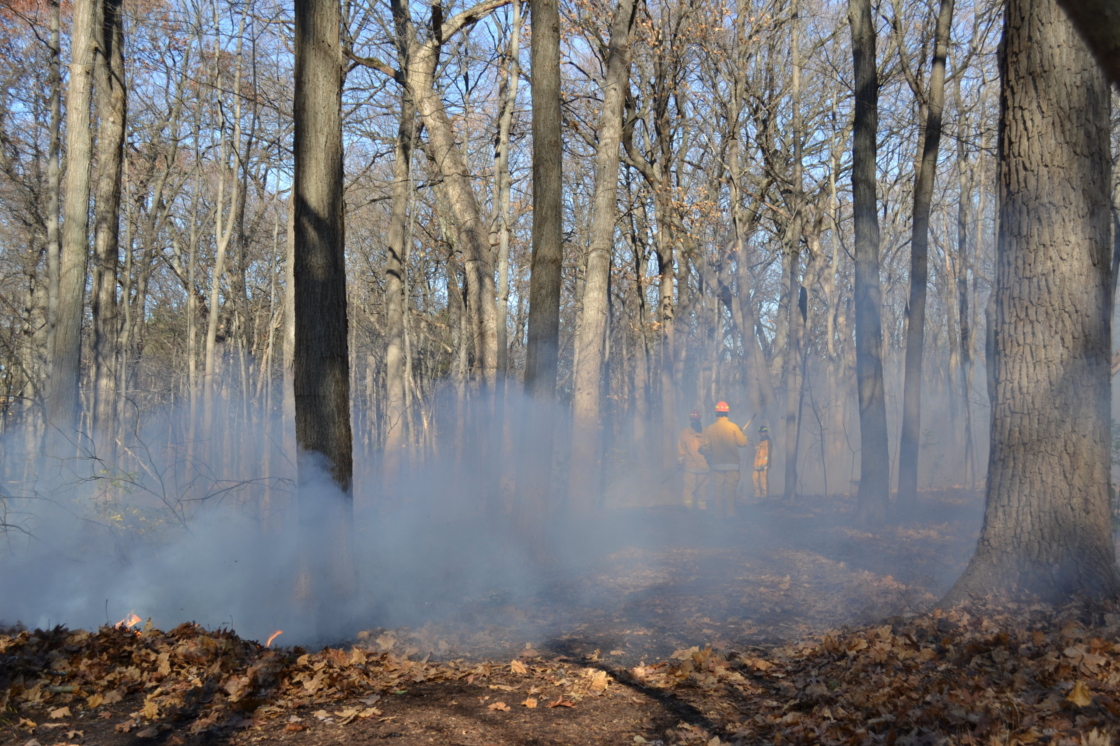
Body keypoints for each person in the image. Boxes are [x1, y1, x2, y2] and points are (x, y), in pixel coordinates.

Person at [703, 401, 749, 517]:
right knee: (730, 491)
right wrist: (743, 435)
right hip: (732, 466)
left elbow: (706, 447)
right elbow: (742, 443)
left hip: (717, 466)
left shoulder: (710, 429)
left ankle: (718, 515)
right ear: (727, 413)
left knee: (718, 491)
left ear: (716, 413)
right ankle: (730, 514)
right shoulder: (733, 427)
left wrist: (709, 458)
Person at [676, 410, 710, 510]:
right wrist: (680, 463)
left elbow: (712, 448)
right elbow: (681, 450)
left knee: (702, 489)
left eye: (697, 419)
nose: (695, 421)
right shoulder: (684, 433)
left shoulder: (707, 432)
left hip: (703, 467)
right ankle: (687, 507)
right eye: (694, 419)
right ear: (690, 420)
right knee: (689, 487)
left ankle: (702, 509)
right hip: (691, 467)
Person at [753, 425, 771, 497]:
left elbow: (767, 454)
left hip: (763, 465)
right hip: (757, 464)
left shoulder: (768, 442)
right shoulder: (761, 441)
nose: (761, 433)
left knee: (763, 480)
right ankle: (757, 494)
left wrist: (764, 464)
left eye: (763, 432)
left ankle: (764, 495)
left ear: (766, 432)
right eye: (760, 432)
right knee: (754, 478)